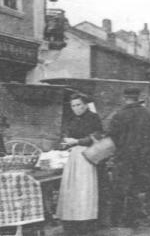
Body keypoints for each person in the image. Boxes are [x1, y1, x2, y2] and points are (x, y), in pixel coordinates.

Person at [107, 87, 150, 228]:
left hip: (126, 158)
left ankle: (129, 218)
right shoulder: (148, 114)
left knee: (128, 187)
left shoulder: (118, 115)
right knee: (149, 187)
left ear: (125, 98)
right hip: (146, 157)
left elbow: (112, 136)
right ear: (138, 98)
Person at [56, 94, 104, 234]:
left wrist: (77, 141)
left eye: (78, 105)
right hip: (74, 157)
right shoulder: (73, 120)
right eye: (73, 106)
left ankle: (86, 221)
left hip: (88, 156)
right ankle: (73, 220)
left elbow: (96, 137)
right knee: (72, 189)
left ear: (85, 105)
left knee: (85, 190)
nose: (76, 108)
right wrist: (65, 142)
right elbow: (68, 136)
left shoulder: (93, 118)